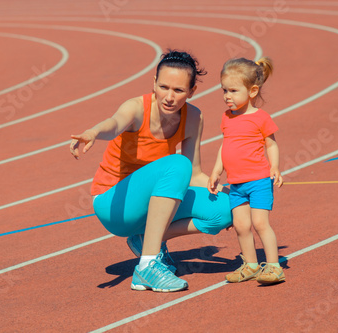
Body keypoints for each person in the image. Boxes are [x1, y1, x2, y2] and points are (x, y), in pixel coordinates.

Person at [70, 50, 232, 292]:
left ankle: (145, 240)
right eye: (163, 86)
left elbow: (196, 174)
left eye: (178, 90)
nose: (169, 97)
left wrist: (225, 190)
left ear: (191, 92)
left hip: (152, 202)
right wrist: (94, 132)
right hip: (114, 204)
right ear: (153, 83)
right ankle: (147, 266)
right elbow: (114, 125)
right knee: (177, 165)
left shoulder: (193, 117)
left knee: (224, 209)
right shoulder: (136, 108)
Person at [207, 57, 285, 285]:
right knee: (241, 226)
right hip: (236, 184)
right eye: (224, 90)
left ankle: (274, 266)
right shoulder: (227, 117)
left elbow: (271, 144)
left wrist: (275, 168)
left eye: (233, 90)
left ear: (252, 91)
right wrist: (215, 171)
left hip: (259, 180)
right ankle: (250, 265)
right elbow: (226, 145)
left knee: (260, 223)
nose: (226, 96)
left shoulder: (261, 118)